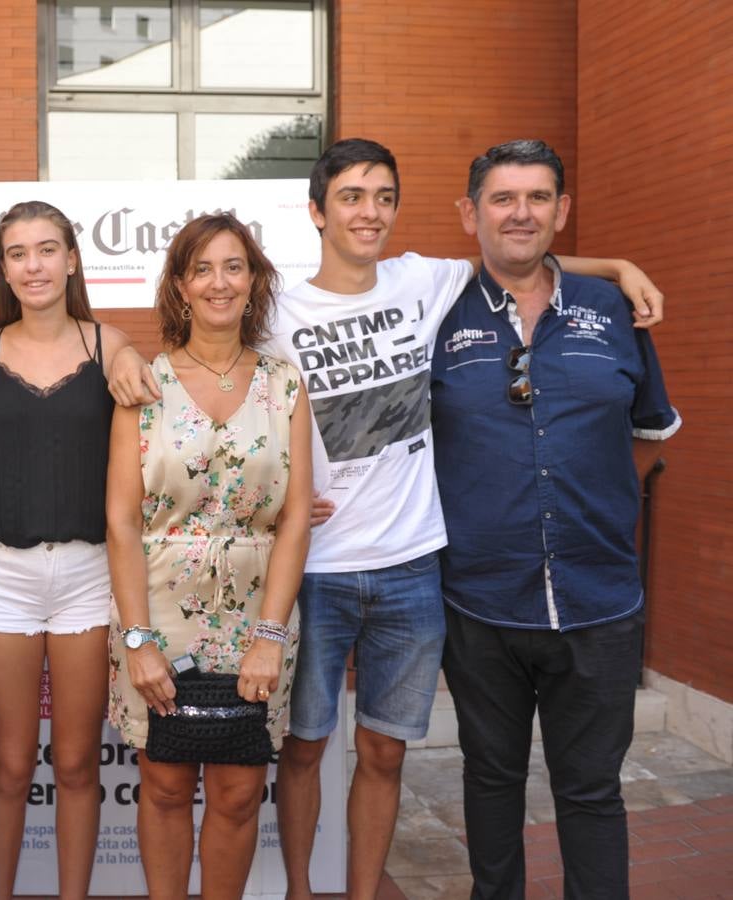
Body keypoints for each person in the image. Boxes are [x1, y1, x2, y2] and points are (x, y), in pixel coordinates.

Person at [107, 138, 664, 900]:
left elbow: (520, 254)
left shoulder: (423, 280)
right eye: (350, 197)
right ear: (316, 212)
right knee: (303, 748)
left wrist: (617, 267)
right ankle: (303, 888)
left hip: (413, 565)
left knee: (385, 752)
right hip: (318, 569)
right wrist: (116, 351)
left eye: (383, 196)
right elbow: (209, 354)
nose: (369, 211)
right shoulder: (279, 314)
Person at [432, 139, 680, 898]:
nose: (521, 213)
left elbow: (647, 437)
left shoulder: (615, 311)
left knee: (592, 791)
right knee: (492, 779)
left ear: (563, 211)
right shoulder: (435, 312)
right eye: (503, 198)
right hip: (480, 601)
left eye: (539, 198)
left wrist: (592, 509)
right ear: (469, 213)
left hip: (600, 600)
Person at [106, 213, 312, 899]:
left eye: (234, 267)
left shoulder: (285, 386)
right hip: (159, 611)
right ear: (180, 287)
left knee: (238, 792)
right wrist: (138, 640)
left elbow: (292, 524)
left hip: (260, 613)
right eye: (202, 269)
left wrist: (270, 637)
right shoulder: (143, 386)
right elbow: (121, 523)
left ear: (254, 282)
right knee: (163, 786)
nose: (219, 282)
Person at [0, 200, 134, 899]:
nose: (32, 265)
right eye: (16, 253)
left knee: (75, 764)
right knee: (6, 765)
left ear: (71, 259)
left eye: (45, 249)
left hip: (90, 578)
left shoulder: (110, 344)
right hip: (0, 575)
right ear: (3, 268)